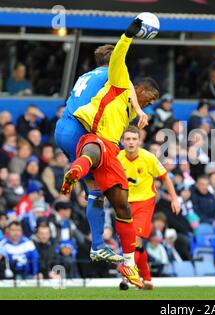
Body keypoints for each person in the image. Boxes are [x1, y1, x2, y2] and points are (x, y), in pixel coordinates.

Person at [58, 19, 156, 288]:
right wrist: (129, 34)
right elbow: (122, 67)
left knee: (109, 198)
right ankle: (77, 171)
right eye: (151, 97)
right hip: (87, 133)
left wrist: (137, 111)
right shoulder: (115, 75)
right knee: (95, 149)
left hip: (74, 132)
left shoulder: (90, 78)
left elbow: (127, 97)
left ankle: (114, 255)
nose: (151, 102)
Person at [117, 126, 180, 290]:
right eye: (128, 139)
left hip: (145, 203)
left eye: (134, 139)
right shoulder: (117, 159)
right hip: (124, 205)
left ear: (139, 141)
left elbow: (165, 178)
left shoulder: (148, 157)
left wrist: (174, 199)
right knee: (134, 245)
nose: (131, 142)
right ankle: (147, 278)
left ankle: (126, 278)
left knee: (135, 239)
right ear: (122, 141)